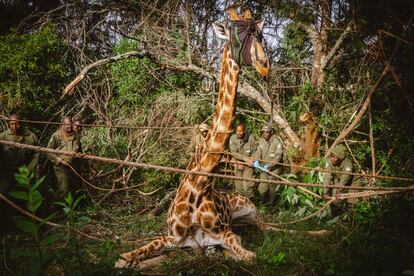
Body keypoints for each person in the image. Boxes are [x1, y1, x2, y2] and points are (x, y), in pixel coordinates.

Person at [0, 114, 40, 194]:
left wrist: (30, 168)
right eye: (12, 124)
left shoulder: (31, 136)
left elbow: (37, 153)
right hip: (7, 171)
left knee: (26, 193)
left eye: (17, 124)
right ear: (8, 125)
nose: (14, 126)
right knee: (3, 192)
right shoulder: (3, 137)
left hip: (25, 171)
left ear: (22, 123)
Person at [46, 116, 82, 200]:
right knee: (64, 189)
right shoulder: (56, 135)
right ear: (62, 124)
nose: (69, 126)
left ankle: (73, 209)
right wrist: (60, 161)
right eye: (66, 124)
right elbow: (48, 151)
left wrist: (79, 155)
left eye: (70, 124)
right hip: (60, 167)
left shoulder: (76, 135)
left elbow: (79, 149)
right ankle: (57, 208)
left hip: (73, 167)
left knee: (75, 188)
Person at [252, 124, 284, 204]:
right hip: (263, 168)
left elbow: (278, 157)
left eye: (267, 132)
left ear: (271, 132)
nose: (265, 134)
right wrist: (256, 160)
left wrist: (268, 166)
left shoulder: (277, 142)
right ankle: (263, 202)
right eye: (263, 132)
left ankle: (272, 205)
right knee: (262, 189)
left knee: (272, 189)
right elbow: (258, 152)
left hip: (274, 169)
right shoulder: (261, 141)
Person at [229, 123, 256, 197]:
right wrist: (244, 159)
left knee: (247, 185)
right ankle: (241, 202)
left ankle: (249, 202)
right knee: (238, 186)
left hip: (248, 166)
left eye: (241, 131)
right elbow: (233, 152)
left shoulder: (250, 138)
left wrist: (252, 160)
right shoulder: (233, 138)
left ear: (244, 131)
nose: (239, 133)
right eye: (237, 131)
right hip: (238, 164)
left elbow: (255, 151)